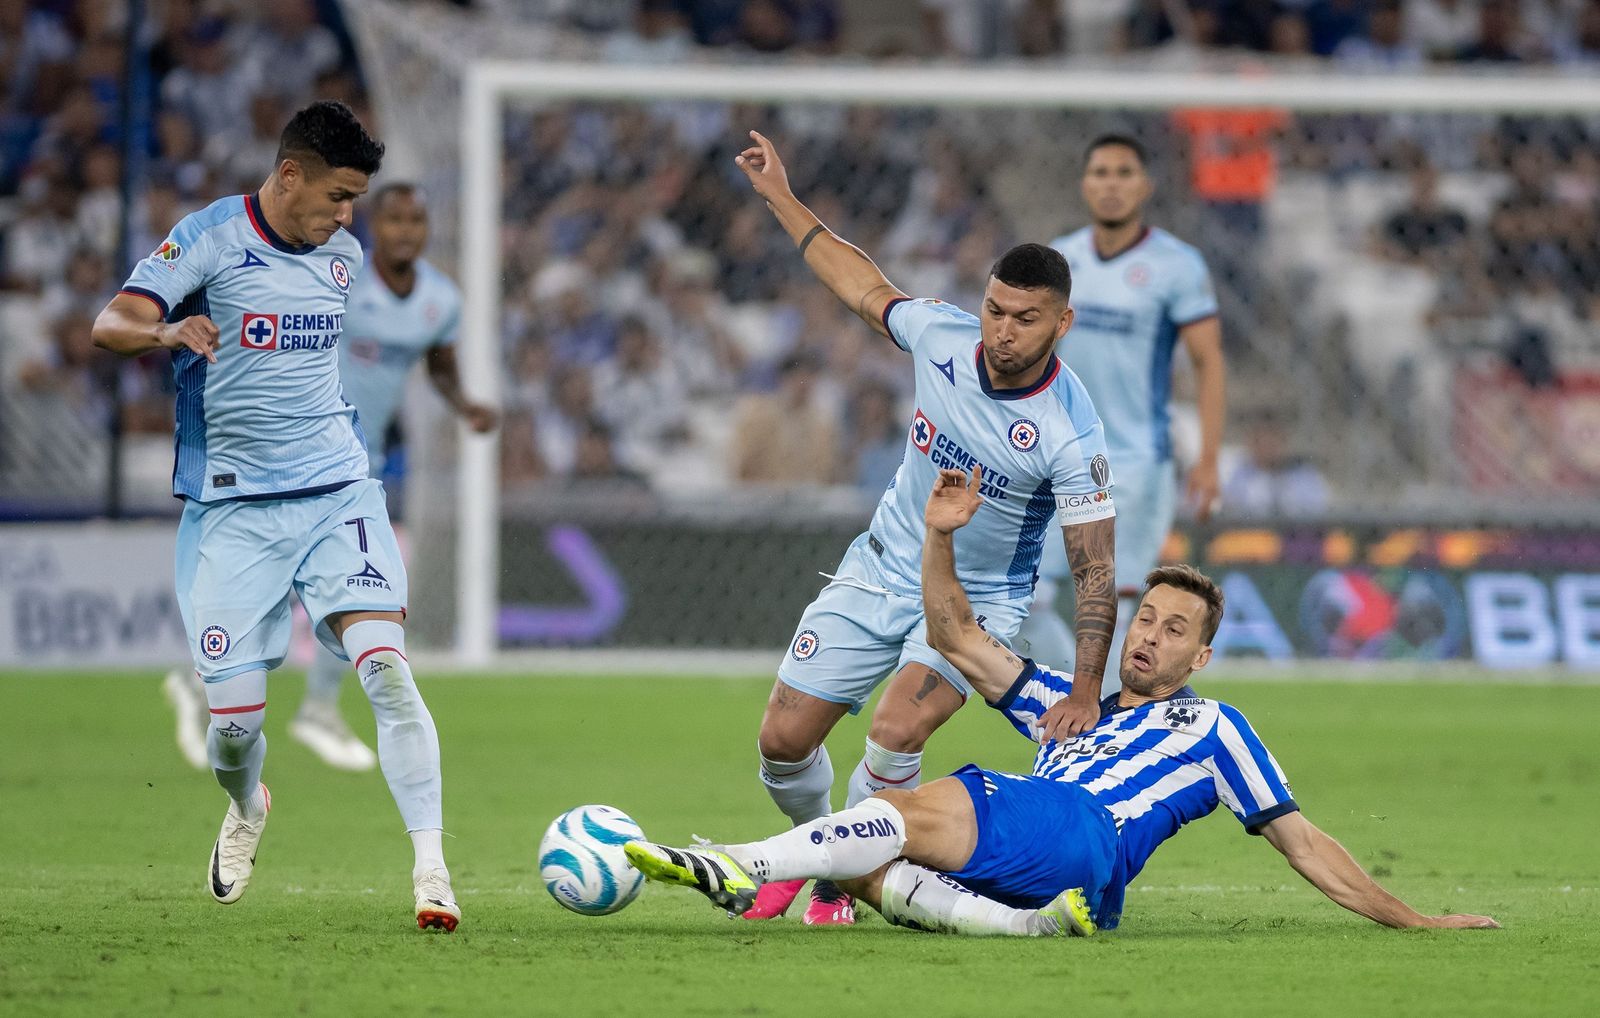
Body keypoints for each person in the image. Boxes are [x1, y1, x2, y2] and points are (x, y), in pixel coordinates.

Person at [626, 467, 1501, 938]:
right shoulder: (1059, 700)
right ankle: (1018, 927)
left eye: (1174, 629)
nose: (1150, 635)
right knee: (860, 869)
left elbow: (1301, 841)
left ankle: (738, 862)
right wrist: (939, 537)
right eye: (1144, 617)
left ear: (1202, 654)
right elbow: (958, 635)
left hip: (1085, 827)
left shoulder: (1214, 727)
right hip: (1055, 864)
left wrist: (1414, 919)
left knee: (892, 807)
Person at [731, 130, 1118, 926]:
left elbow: (1095, 571)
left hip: (975, 606)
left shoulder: (1070, 432)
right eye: (995, 309)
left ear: (1062, 323)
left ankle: (834, 883)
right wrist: (779, 196)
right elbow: (859, 281)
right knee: (781, 740)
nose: (1002, 330)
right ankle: (819, 849)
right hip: (879, 566)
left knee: (899, 723)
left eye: (1025, 319)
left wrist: (1085, 690)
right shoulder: (941, 336)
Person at [91, 101, 459, 932]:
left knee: (388, 672)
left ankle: (432, 871)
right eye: (338, 195)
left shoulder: (343, 256)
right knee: (233, 734)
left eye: (356, 200)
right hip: (233, 511)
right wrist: (167, 334)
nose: (346, 215)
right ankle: (249, 802)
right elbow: (109, 322)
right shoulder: (212, 237)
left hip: (338, 492)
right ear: (290, 174)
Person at [162, 182, 497, 773]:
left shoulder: (441, 300)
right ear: (374, 224)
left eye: (415, 222)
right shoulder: (333, 274)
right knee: (292, 589)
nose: (404, 232)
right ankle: (215, 684)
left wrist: (465, 403)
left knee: (357, 595)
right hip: (293, 462)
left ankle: (312, 704)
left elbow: (440, 367)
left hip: (355, 464)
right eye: (392, 220)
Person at [1019, 135, 1226, 686]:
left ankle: (1106, 738)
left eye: (1124, 173)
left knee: (1121, 612)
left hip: (1137, 463)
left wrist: (1207, 459)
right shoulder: (1060, 261)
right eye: (1101, 172)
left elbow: (1209, 362)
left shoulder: (1177, 265)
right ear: (1085, 184)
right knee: (1020, 598)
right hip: (1060, 456)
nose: (1111, 184)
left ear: (1145, 186)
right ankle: (1074, 699)